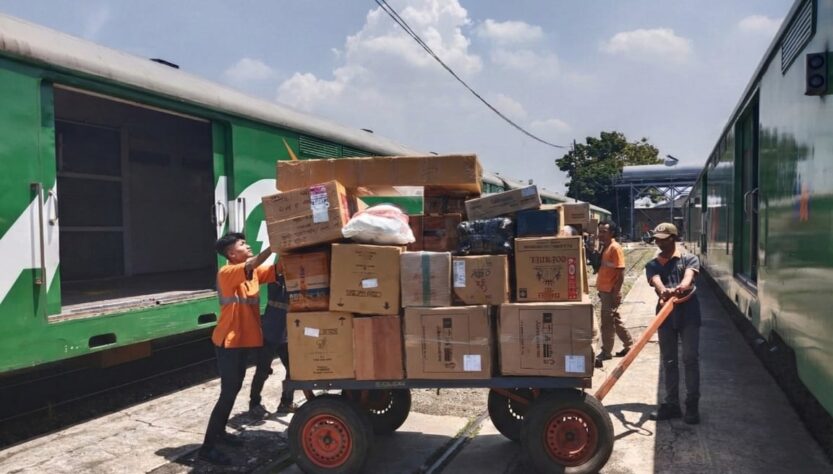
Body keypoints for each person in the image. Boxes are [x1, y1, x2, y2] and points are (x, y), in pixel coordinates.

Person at [199, 233, 275, 465]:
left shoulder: (252, 273)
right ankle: (207, 448)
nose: (248, 245)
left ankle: (220, 433)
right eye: (242, 244)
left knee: (233, 389)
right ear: (232, 253)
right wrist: (274, 246)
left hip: (242, 341)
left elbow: (275, 270)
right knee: (228, 393)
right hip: (229, 342)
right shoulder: (227, 272)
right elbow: (253, 264)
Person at [644, 222, 701, 425]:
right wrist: (664, 291)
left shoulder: (689, 259)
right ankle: (672, 405)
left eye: (663, 239)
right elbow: (656, 281)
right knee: (669, 361)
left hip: (689, 315)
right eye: (657, 240)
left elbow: (689, 277)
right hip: (666, 316)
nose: (659, 243)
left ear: (673, 238)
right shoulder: (652, 264)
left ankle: (692, 405)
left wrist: (681, 287)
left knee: (690, 358)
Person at [248, 268, 298, 418]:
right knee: (263, 370)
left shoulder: (296, 280)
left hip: (285, 334)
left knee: (293, 370)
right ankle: (254, 404)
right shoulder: (275, 277)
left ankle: (286, 402)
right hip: (270, 333)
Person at [594, 221, 634, 368]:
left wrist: (616, 292)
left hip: (610, 291)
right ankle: (629, 344)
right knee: (615, 320)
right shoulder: (605, 247)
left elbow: (620, 272)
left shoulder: (615, 248)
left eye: (604, 231)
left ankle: (606, 351)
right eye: (600, 231)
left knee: (607, 323)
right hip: (605, 289)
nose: (600, 234)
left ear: (612, 233)